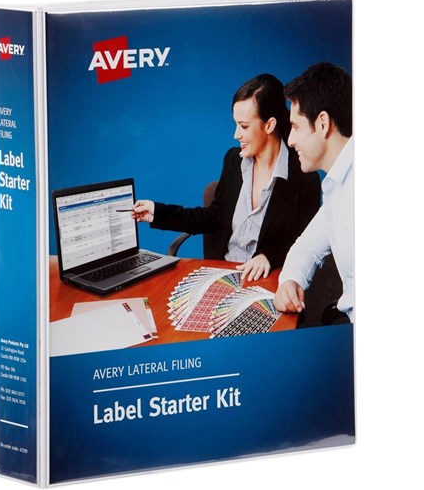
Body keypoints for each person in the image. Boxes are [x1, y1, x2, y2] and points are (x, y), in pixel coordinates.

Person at [132, 74, 321, 281]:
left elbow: (308, 244)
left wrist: (270, 256)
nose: (236, 134)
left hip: (267, 280)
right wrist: (158, 212)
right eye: (236, 124)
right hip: (222, 274)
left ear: (269, 125)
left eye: (244, 126)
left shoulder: (303, 177)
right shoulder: (234, 160)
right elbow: (213, 218)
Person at [274, 62, 354, 323]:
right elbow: (307, 246)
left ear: (322, 123)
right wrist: (290, 280)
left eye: (296, 127)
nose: (290, 140)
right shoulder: (337, 183)